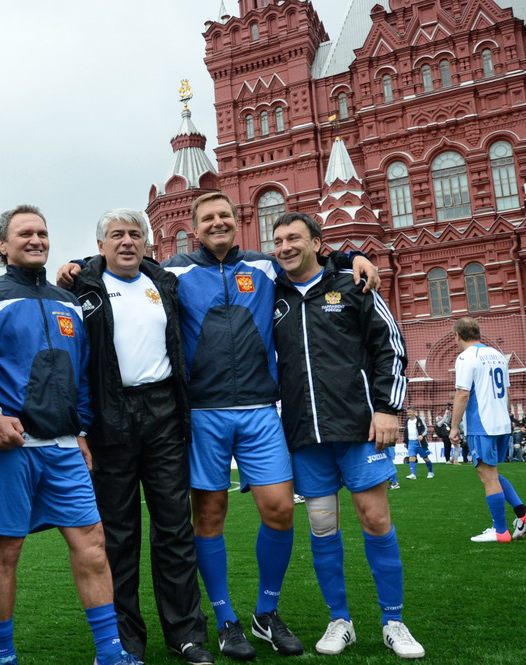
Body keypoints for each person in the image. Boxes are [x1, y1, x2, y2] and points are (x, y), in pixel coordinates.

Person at [161, 193, 377, 659]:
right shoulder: (174, 271)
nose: (218, 222)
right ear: (194, 228)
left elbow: (307, 257)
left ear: (237, 222)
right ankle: (225, 620)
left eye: (225, 215)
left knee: (279, 510)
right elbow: (125, 266)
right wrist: (79, 265)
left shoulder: (264, 267)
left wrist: (352, 254)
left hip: (261, 410)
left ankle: (265, 613)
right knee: (210, 516)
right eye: (208, 218)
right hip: (204, 413)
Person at [0, 205, 139, 665]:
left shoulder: (68, 302)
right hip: (10, 447)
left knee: (93, 545)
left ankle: (110, 652)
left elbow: (80, 374)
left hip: (64, 447)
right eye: (25, 233)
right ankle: (3, 655)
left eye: (42, 232)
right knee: (6, 551)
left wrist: (80, 429)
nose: (36, 239)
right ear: (3, 245)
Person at [271, 212, 424, 659]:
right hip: (303, 433)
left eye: (294, 238)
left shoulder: (354, 286)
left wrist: (388, 409)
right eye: (277, 241)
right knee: (322, 527)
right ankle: (340, 619)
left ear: (318, 243)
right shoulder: (270, 294)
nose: (284, 247)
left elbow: (390, 347)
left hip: (360, 428)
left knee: (375, 520)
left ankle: (394, 620)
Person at [64, 209, 212, 664]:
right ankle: (126, 638)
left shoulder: (164, 282)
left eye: (135, 234)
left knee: (174, 527)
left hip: (164, 412)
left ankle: (186, 633)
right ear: (101, 244)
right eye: (116, 235)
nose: (127, 242)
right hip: (111, 417)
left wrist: (347, 259)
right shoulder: (82, 286)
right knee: (118, 534)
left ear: (147, 242)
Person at [448, 317, 526, 543]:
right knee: (493, 474)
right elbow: (506, 392)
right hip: (501, 422)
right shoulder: (498, 355)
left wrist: (453, 427)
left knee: (487, 477)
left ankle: (500, 531)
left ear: (458, 336)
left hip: (482, 423)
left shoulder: (466, 357)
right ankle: (523, 513)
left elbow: (462, 394)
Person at [403, 407, 434, 479]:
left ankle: (430, 472)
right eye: (407, 412)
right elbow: (405, 432)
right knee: (411, 457)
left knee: (425, 458)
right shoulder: (406, 421)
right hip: (411, 442)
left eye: (410, 412)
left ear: (414, 412)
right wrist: (405, 441)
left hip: (420, 443)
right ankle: (413, 474)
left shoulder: (420, 420)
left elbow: (425, 429)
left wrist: (422, 435)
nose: (408, 414)